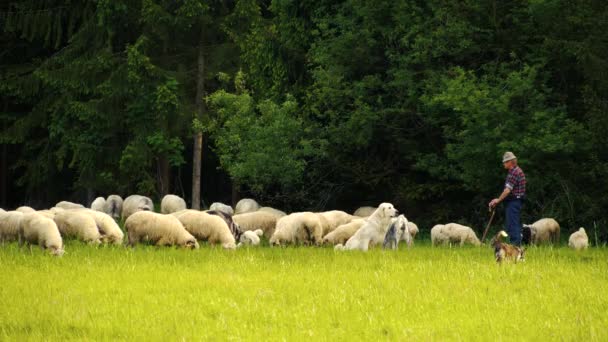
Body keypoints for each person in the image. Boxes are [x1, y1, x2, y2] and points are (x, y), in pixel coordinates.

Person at [489, 152, 526, 246]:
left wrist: (498, 200)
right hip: (513, 202)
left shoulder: (514, 172)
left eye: (505, 162)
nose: (504, 164)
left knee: (513, 225)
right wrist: (498, 199)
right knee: (512, 225)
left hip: (514, 202)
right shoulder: (514, 171)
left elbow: (507, 190)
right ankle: (515, 247)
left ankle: (515, 248)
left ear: (510, 162)